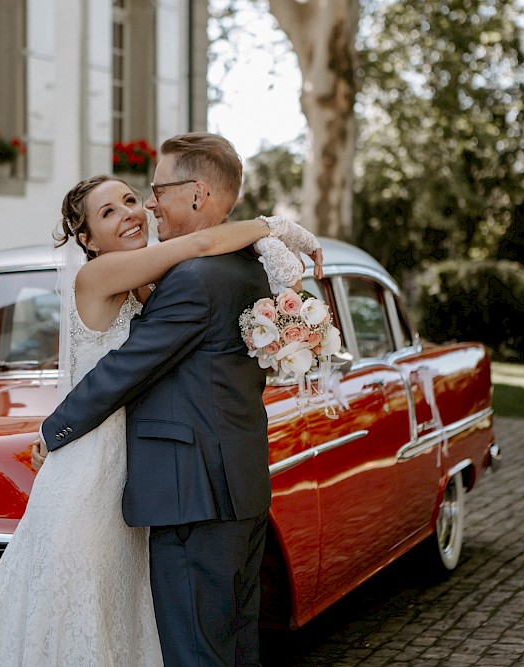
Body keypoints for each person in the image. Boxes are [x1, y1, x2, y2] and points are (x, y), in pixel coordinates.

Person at [0, 168, 322, 666]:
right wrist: (275, 229)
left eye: (132, 200)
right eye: (108, 212)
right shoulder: (99, 273)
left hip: (137, 464)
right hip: (93, 462)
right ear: (87, 240)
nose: (131, 214)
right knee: (79, 604)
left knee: (129, 607)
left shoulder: (142, 285)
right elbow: (198, 248)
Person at [38, 133, 321, 666]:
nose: (145, 205)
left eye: (152, 191)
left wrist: (52, 431)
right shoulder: (246, 266)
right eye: (118, 204)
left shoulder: (192, 276)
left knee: (196, 653)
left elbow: (126, 368)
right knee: (235, 646)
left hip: (194, 496)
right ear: (85, 235)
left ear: (195, 196)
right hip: (237, 488)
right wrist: (272, 228)